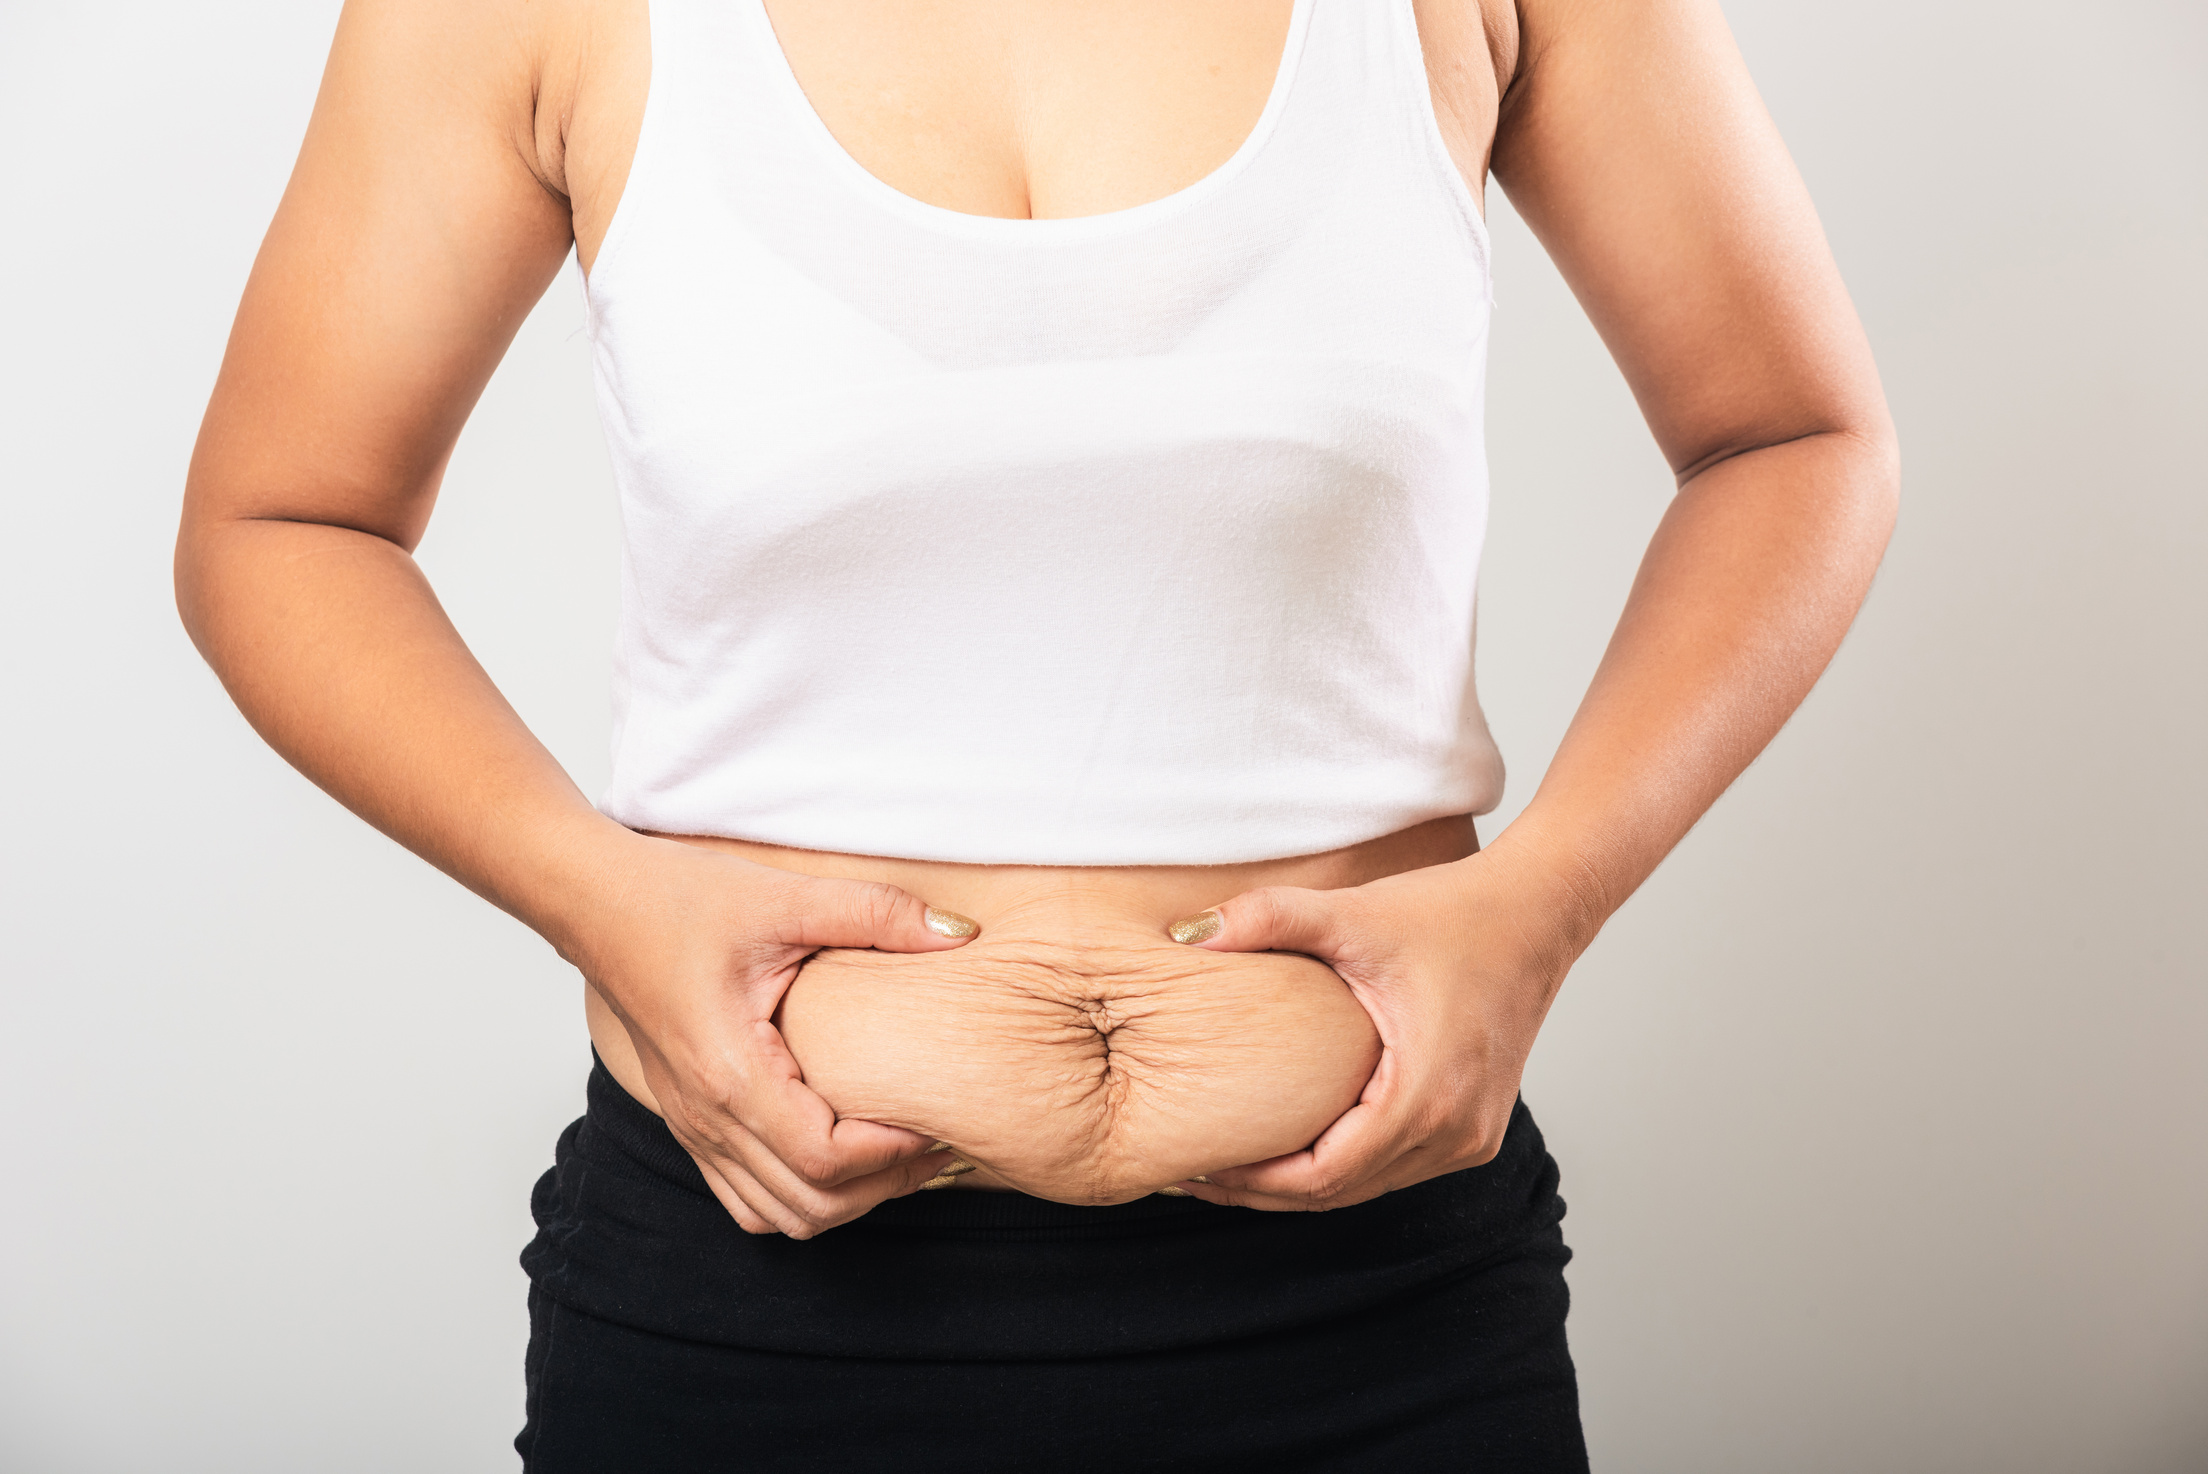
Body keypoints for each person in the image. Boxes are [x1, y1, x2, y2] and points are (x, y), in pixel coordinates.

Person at [176, 0, 1897, 1467]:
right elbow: (281, 523)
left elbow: (1792, 438)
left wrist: (1547, 904)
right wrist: (601, 900)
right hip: (755, 1303)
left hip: (1379, 1310)